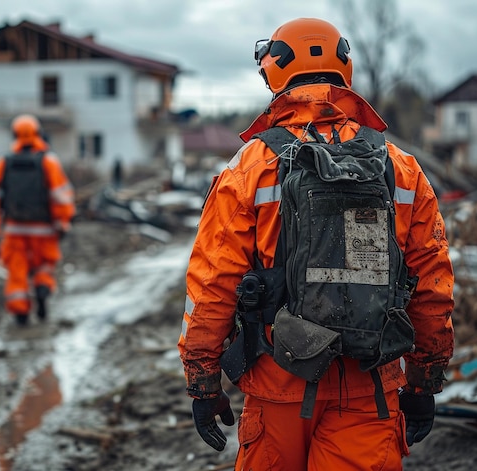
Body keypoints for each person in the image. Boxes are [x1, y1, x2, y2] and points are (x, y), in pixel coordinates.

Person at [177, 18, 455, 470]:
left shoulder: (251, 167)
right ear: (344, 68)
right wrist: (425, 379)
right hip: (372, 388)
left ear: (274, 71)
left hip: (278, 380)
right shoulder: (400, 167)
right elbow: (432, 284)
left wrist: (203, 379)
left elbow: (212, 281)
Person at [0, 114, 75, 325]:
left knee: (17, 271)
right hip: (44, 229)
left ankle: (20, 312)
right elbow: (60, 195)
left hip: (14, 228)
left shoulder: (5, 162)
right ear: (38, 133)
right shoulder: (49, 161)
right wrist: (62, 221)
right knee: (44, 266)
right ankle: (42, 289)